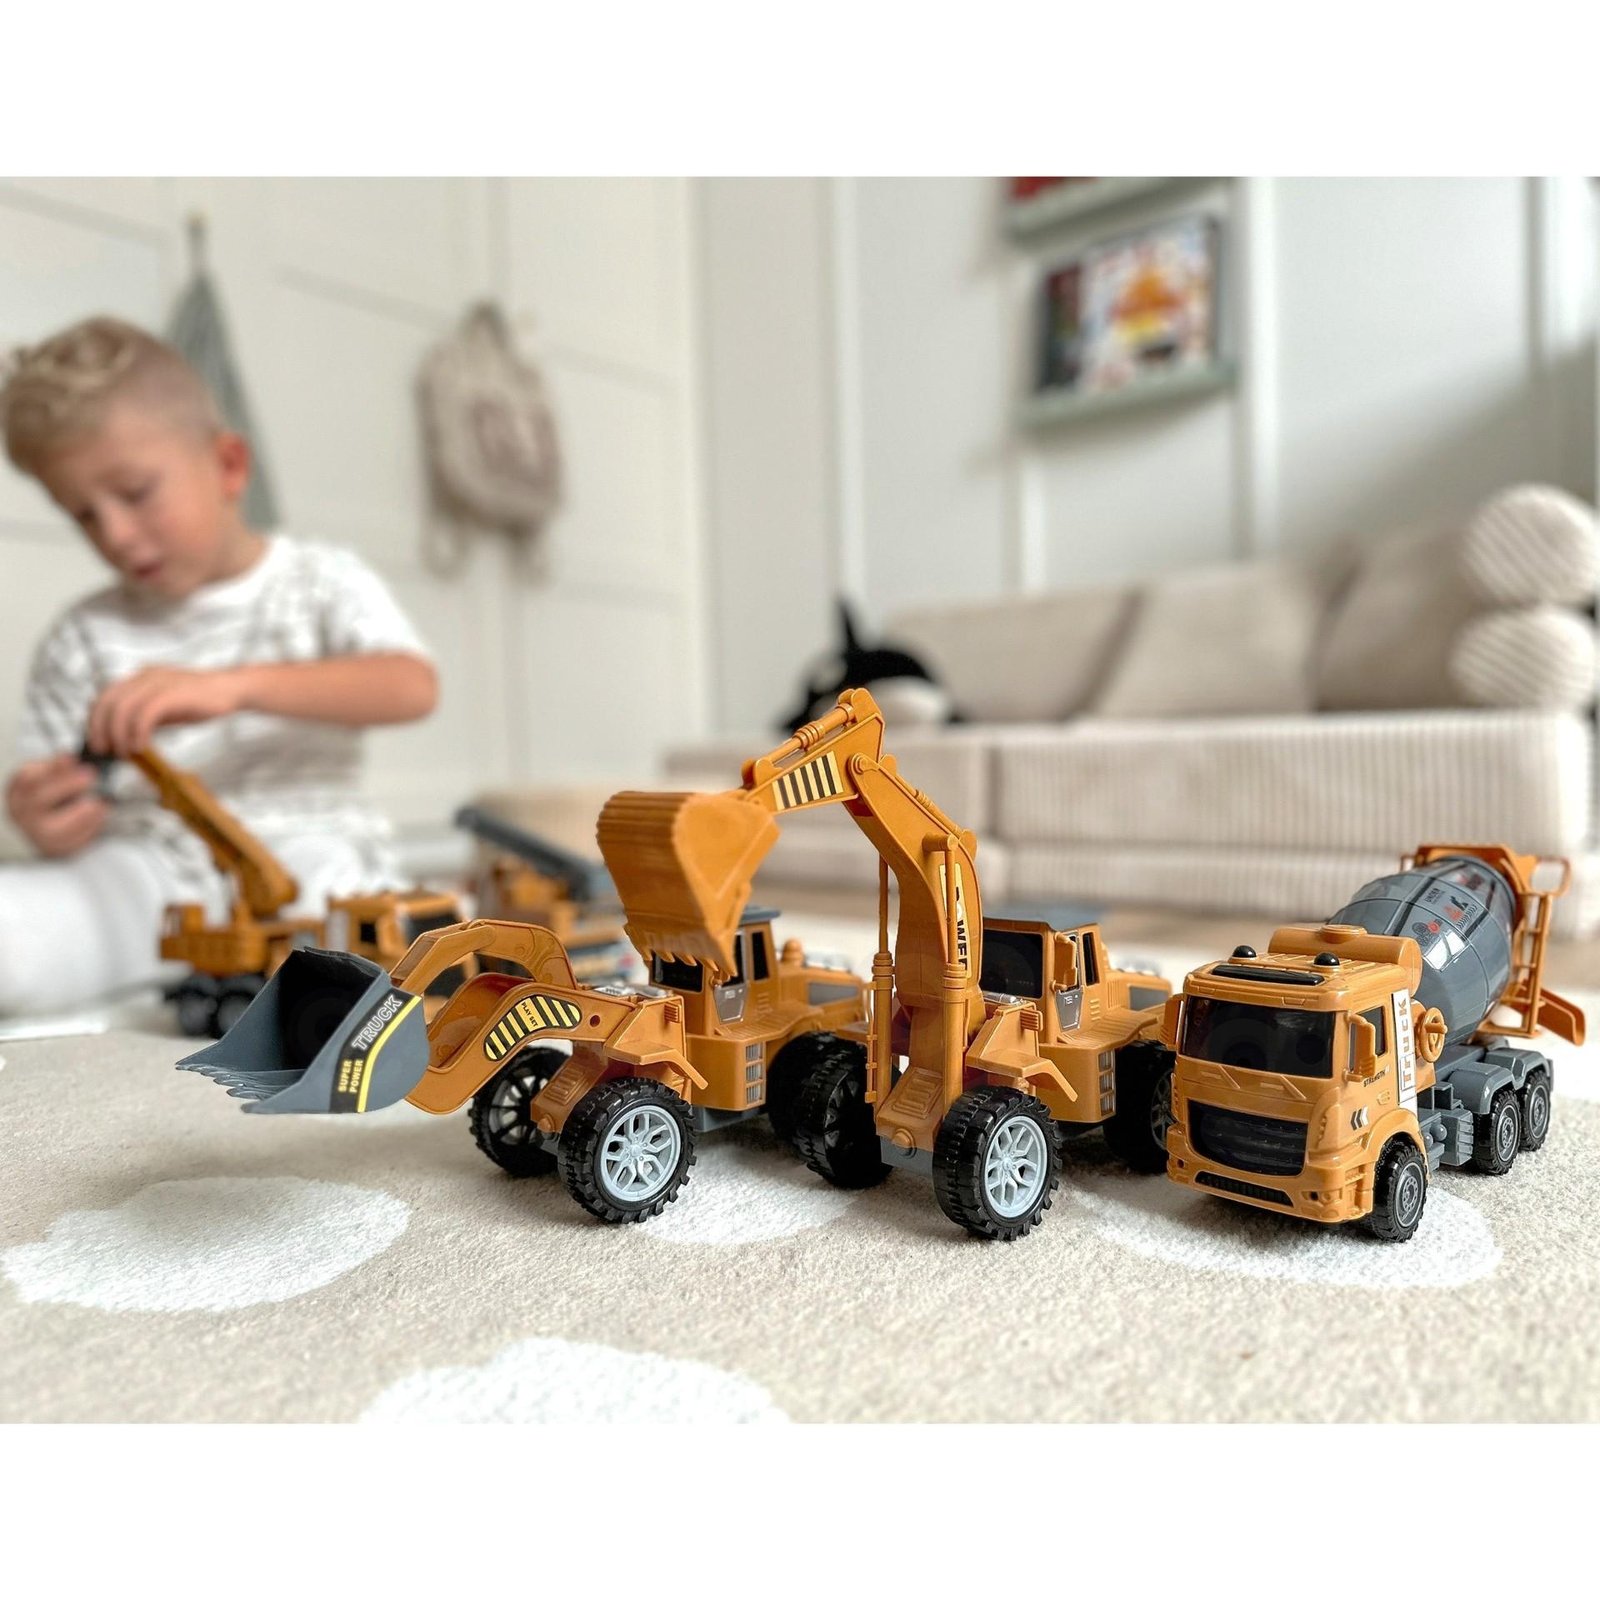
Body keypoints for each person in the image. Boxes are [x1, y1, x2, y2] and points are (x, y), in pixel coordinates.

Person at [0, 316, 439, 1016]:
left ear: (228, 466)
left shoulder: (320, 581)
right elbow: (52, 792)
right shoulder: (83, 636)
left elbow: (410, 686)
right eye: (83, 515)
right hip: (148, 869)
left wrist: (233, 687)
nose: (115, 534)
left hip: (307, 849)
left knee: (356, 963)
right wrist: (39, 817)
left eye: (135, 493)